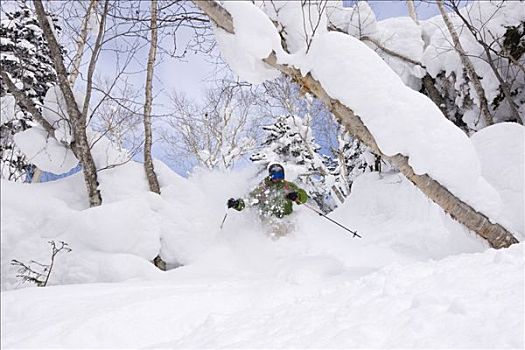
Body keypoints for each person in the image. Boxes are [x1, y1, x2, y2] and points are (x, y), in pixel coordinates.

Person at [226, 163, 308, 237]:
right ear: (270, 175)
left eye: (280, 175)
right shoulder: (263, 187)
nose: (277, 179)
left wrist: (297, 195)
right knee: (274, 228)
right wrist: (237, 204)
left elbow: (303, 197)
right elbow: (250, 199)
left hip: (286, 218)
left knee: (291, 230)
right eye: (274, 176)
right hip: (269, 220)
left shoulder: (288, 186)